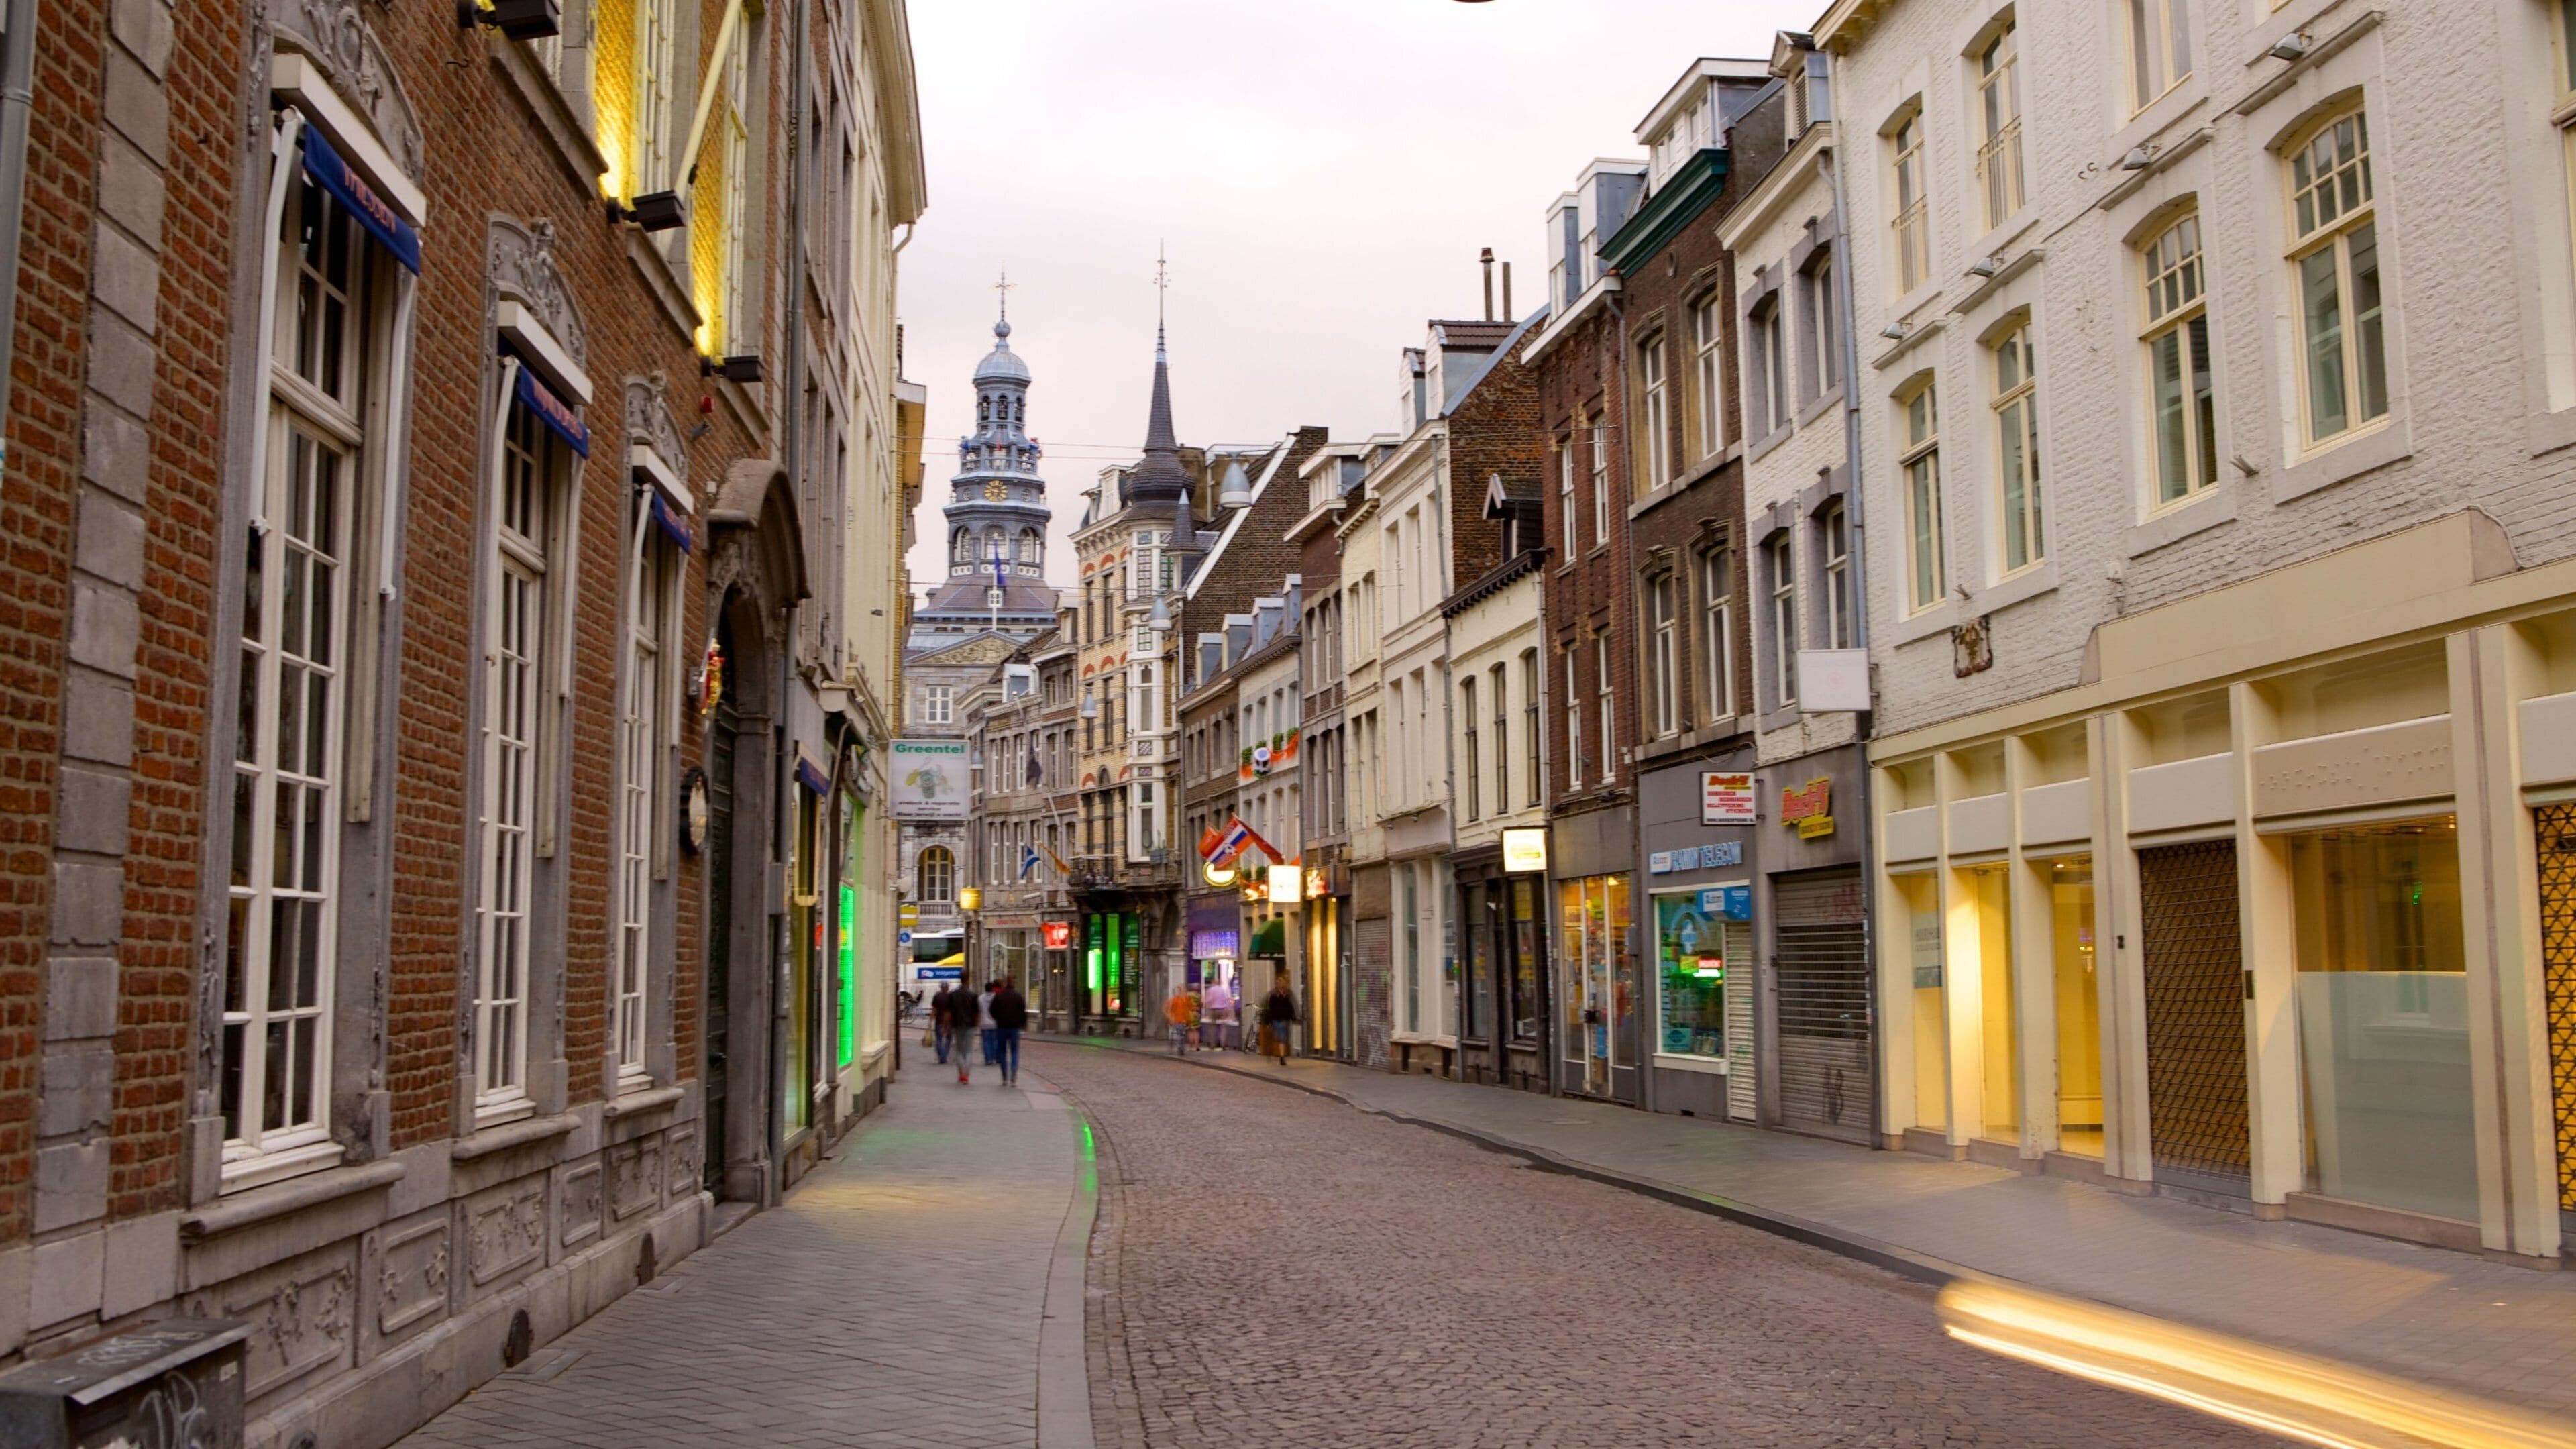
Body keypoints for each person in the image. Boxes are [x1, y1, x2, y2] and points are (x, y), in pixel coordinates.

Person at [987, 977, 1028, 1086]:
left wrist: (997, 1019)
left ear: (1005, 983)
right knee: (1014, 1051)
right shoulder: (1018, 996)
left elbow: (992, 1010)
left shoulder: (999, 996)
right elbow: (1023, 1012)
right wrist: (1021, 1024)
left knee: (1002, 1052)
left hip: (1001, 1027)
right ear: (1013, 983)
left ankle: (1005, 1077)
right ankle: (1013, 1076)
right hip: (1014, 1027)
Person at [946, 982, 982, 1084]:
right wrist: (977, 1024)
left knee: (959, 1051)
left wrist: (947, 1025)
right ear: (968, 980)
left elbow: (949, 1012)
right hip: (970, 1026)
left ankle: (961, 1073)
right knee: (968, 1050)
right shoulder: (973, 995)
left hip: (957, 1025)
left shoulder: (953, 995)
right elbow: (977, 1012)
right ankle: (966, 1074)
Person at [1260, 977, 1297, 1065]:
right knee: (1278, 1038)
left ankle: (1282, 1057)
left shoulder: (1287, 994)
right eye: (1278, 983)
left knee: (1283, 1038)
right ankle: (1278, 1054)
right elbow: (1270, 1008)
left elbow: (1290, 1006)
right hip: (1276, 1019)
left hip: (1285, 1019)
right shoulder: (1273, 995)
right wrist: (1268, 1021)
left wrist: (1293, 1016)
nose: (1280, 984)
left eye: (1281, 982)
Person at [1201, 977, 1235, 1051]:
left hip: (1213, 1010)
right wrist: (1227, 1011)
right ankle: (1223, 1044)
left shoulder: (1210, 990)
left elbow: (1208, 1000)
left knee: (1212, 1027)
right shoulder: (1222, 990)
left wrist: (1207, 1008)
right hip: (1222, 1009)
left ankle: (1213, 1044)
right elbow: (1226, 1000)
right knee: (1223, 1027)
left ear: (1213, 983)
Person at [1163, 986, 1196, 1056]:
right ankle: (1180, 1048)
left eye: (1184, 991)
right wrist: (1170, 1017)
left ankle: (1181, 1048)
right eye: (1182, 991)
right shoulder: (1174, 1000)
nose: (1183, 993)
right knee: (1180, 1034)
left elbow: (1191, 1008)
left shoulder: (1186, 999)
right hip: (1177, 1020)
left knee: (1181, 1034)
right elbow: (1165, 1009)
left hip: (1184, 1020)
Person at [928, 983, 955, 1063]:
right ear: (947, 988)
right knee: (948, 1039)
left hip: (939, 1021)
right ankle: (944, 1056)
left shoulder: (937, 996)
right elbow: (953, 1010)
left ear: (941, 988)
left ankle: (942, 1056)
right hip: (949, 1022)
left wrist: (930, 1020)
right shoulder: (951, 997)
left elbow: (934, 1009)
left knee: (939, 1039)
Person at [978, 980, 1000, 1065]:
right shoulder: (997, 997)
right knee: (995, 1041)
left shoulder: (980, 998)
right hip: (995, 1023)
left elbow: (979, 1011)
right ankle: (995, 1057)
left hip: (984, 1023)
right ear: (993, 989)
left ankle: (988, 1059)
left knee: (986, 1041)